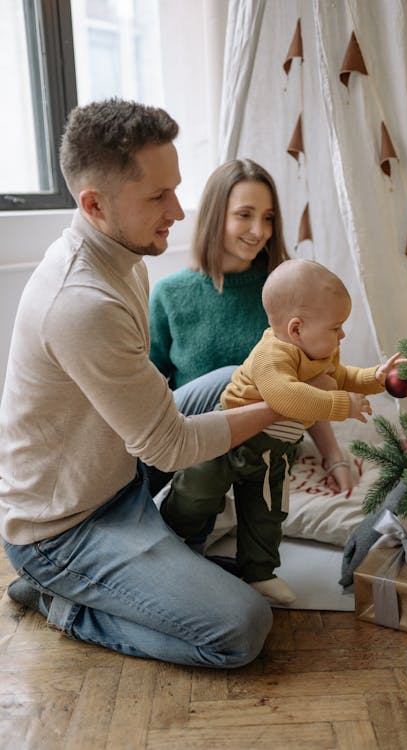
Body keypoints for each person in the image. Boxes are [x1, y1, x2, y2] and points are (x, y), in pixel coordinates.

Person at [0, 99, 286, 668]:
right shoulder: (82, 302)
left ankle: (152, 559)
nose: (179, 211)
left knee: (233, 379)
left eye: (175, 189)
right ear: (94, 204)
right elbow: (170, 445)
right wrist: (280, 402)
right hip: (64, 528)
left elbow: (155, 418)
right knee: (242, 629)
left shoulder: (124, 255)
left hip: (116, 469)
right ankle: (62, 601)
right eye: (159, 196)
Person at [161, 259, 406, 606]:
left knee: (267, 513)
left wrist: (376, 377)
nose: (342, 335)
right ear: (296, 329)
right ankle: (171, 541)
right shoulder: (270, 356)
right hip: (229, 438)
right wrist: (340, 405)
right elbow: (286, 396)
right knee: (196, 491)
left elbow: (345, 377)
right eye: (336, 327)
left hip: (273, 451)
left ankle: (258, 572)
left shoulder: (321, 351)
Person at [148, 159, 354, 497]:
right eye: (245, 215)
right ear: (216, 215)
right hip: (202, 451)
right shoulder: (170, 295)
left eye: (268, 217)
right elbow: (153, 395)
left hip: (272, 447)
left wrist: (334, 457)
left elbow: (307, 381)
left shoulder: (286, 294)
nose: (260, 230)